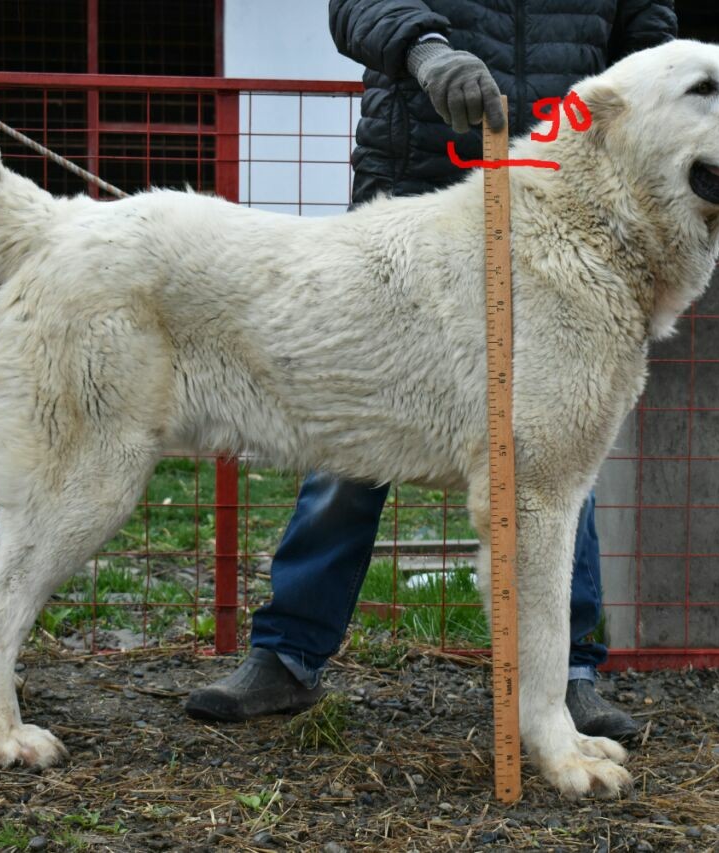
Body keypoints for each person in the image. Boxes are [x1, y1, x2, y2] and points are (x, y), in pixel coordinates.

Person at [186, 0, 678, 743]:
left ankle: (566, 673)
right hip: (418, 173)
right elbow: (356, 5)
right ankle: (287, 652)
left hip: (560, 183)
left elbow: (648, 34)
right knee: (350, 428)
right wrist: (425, 50)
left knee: (553, 444)